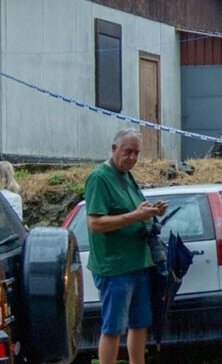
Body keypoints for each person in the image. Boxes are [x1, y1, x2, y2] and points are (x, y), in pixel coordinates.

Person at [85, 129, 168, 364]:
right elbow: (95, 224)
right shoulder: (99, 178)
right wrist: (135, 216)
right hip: (115, 268)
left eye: (137, 153)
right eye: (128, 152)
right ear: (114, 149)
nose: (132, 158)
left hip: (139, 263)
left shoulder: (127, 175)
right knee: (113, 328)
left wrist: (151, 212)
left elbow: (134, 209)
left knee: (140, 323)